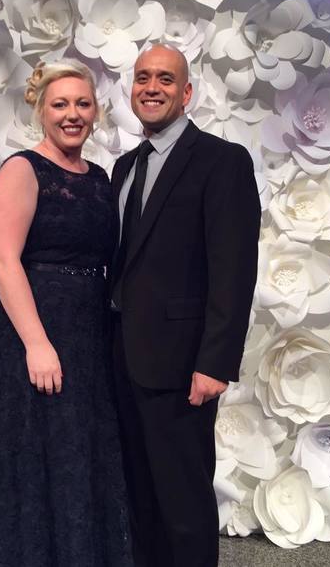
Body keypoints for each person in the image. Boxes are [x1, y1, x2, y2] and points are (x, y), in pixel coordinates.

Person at [0, 60, 132, 567]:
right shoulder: (22, 169)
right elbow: (4, 260)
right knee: (40, 456)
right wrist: (38, 344)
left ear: (95, 112)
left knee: (81, 454)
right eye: (60, 104)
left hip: (90, 335)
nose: (72, 114)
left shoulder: (99, 178)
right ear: (41, 110)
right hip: (38, 334)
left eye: (82, 103)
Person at [110, 44, 261, 567]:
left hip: (182, 366)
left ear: (187, 92)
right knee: (139, 497)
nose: (152, 88)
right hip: (122, 361)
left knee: (184, 502)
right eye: (143, 78)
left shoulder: (222, 161)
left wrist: (215, 362)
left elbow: (234, 269)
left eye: (165, 79)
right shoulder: (124, 167)